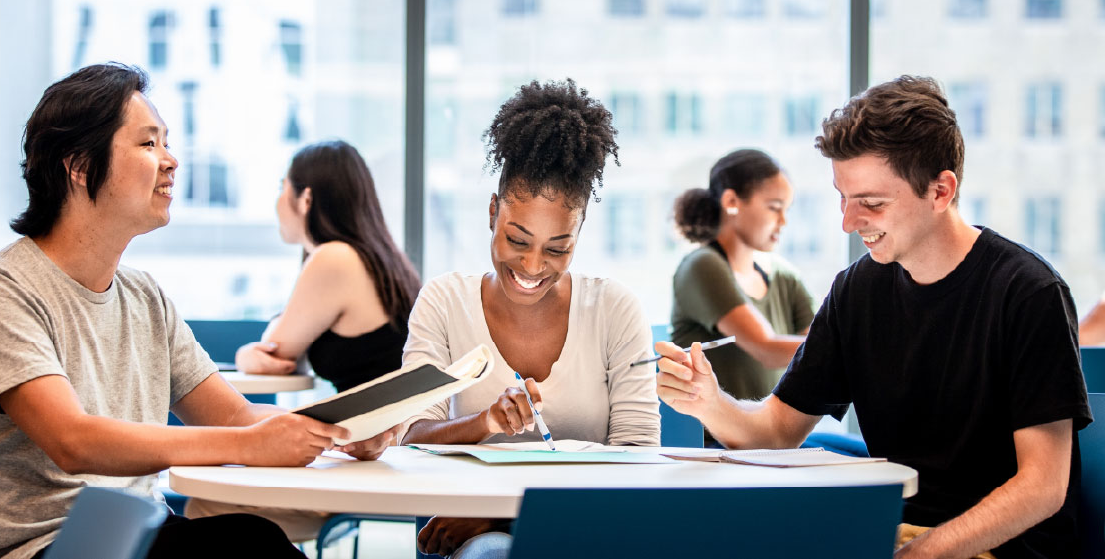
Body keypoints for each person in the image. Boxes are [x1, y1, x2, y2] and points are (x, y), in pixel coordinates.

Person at [0, 63, 394, 559]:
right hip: (49, 545)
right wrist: (248, 447)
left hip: (138, 532)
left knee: (255, 539)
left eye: (166, 142)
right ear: (78, 165)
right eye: (148, 143)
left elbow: (238, 416)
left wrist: (342, 433)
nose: (172, 160)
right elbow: (73, 441)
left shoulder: (145, 296)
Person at [656, 76, 1091, 559]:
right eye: (843, 197)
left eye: (872, 203)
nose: (848, 221)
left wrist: (916, 553)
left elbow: (1043, 487)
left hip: (1002, 546)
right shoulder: (856, 291)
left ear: (941, 190)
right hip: (898, 530)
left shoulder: (1028, 292)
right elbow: (777, 432)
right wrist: (710, 402)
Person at [401, 79, 660, 558]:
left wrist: (506, 512)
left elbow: (637, 467)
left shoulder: (615, 310)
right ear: (494, 211)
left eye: (557, 248)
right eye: (517, 240)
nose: (533, 266)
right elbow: (411, 438)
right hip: (479, 543)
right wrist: (486, 421)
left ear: (579, 234)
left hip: (590, 536)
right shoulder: (443, 302)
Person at [186, 139, 421, 540]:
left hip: (377, 455)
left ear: (306, 197)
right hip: (387, 452)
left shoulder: (334, 258)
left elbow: (277, 349)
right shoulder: (376, 258)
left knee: (206, 506)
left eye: (282, 187)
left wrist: (246, 352)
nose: (278, 200)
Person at [670, 149, 812, 405]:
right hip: (716, 441)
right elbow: (766, 349)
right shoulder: (703, 266)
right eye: (774, 207)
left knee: (862, 447)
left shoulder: (784, 276)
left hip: (776, 436)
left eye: (786, 209)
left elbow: (818, 342)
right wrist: (853, 351)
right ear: (732, 202)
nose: (783, 221)